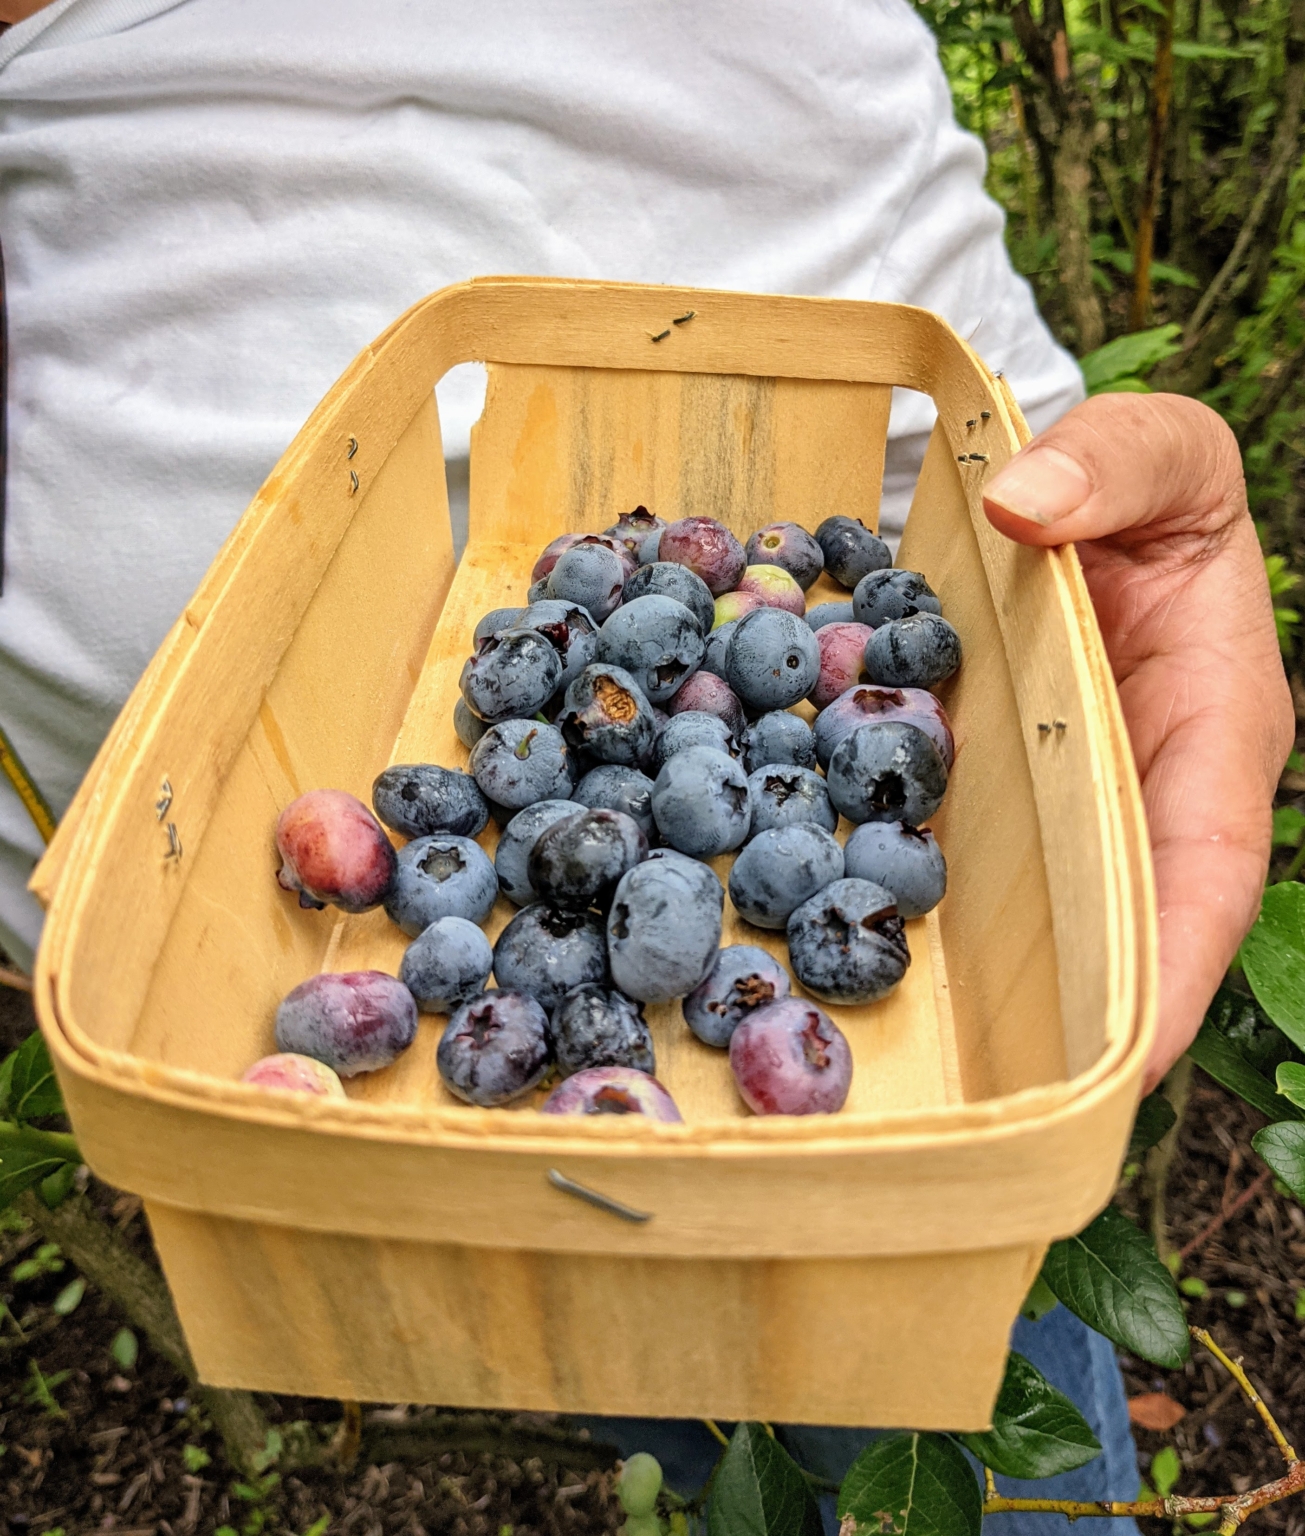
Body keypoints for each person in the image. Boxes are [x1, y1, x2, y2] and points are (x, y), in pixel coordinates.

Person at [0, 1, 1291, 1529]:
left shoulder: (720, 786)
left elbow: (977, 459)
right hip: (314, 1122)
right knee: (635, 1367)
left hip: (917, 1129)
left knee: (977, 1437)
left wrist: (1091, 537)